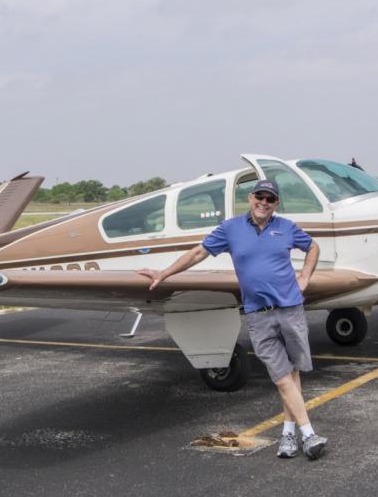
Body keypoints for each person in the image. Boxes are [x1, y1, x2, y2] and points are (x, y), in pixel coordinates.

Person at [137, 179, 328, 460]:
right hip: (258, 314)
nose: (264, 202)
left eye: (270, 199)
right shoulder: (231, 229)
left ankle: (288, 435)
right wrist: (165, 274)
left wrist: (305, 278)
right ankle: (309, 434)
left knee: (292, 374)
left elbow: (313, 248)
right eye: (259, 197)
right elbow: (199, 252)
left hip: (290, 309)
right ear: (250, 198)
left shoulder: (286, 227)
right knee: (281, 377)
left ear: (276, 204)